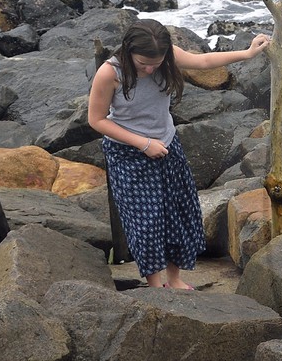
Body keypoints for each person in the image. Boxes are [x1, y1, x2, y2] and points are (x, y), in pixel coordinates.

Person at [86, 21, 271, 289]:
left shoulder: (168, 57)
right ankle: (154, 284)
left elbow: (204, 61)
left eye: (156, 63)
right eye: (143, 64)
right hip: (128, 154)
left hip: (167, 146)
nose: (150, 69)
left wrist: (248, 53)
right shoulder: (109, 73)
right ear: (128, 52)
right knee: (146, 223)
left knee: (179, 214)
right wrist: (142, 143)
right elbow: (96, 119)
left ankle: (174, 279)